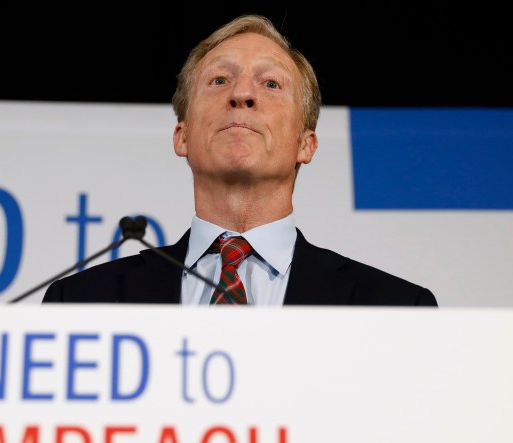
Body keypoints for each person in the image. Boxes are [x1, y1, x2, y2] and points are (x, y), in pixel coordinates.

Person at [42, 14, 437, 306]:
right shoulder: (81, 302)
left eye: (270, 83)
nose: (242, 95)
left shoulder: (395, 307)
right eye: (219, 80)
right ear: (182, 136)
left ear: (306, 144)